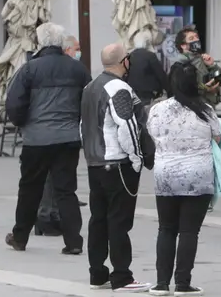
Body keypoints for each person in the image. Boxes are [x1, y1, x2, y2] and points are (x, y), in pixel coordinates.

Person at [4, 23, 90, 255]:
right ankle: (73, 242)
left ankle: (20, 237)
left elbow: (14, 103)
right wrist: (76, 122)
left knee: (30, 188)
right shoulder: (77, 69)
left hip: (36, 139)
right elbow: (88, 101)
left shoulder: (30, 69)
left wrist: (23, 123)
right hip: (68, 138)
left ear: (41, 42)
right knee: (66, 190)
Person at [80, 43, 152, 292]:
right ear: (125, 61)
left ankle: (97, 273)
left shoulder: (90, 87)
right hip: (117, 162)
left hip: (95, 163)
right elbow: (127, 126)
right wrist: (137, 158)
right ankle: (122, 276)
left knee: (98, 219)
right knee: (120, 221)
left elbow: (83, 124)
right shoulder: (118, 87)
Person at [147, 62, 220, 296]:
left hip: (165, 175)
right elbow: (217, 138)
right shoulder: (206, 110)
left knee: (166, 228)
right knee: (189, 232)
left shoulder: (158, 109)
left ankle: (161, 283)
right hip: (197, 177)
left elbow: (151, 133)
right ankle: (182, 283)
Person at [36, 34, 87, 238]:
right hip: (66, 131)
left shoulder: (34, 67)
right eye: (76, 48)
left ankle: (45, 217)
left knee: (47, 178)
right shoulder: (76, 69)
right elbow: (88, 96)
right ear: (66, 50)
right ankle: (50, 217)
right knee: (60, 180)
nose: (78, 52)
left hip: (40, 133)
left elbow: (17, 101)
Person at [175, 28, 220, 106]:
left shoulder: (202, 59)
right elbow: (185, 88)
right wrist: (205, 88)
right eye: (191, 38)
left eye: (196, 37)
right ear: (183, 46)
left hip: (208, 106)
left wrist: (212, 65)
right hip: (193, 109)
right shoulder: (180, 65)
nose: (196, 40)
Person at [126, 31, 169, 110]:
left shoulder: (129, 56)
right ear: (147, 42)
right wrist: (170, 90)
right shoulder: (150, 56)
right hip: (149, 95)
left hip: (133, 94)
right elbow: (161, 75)